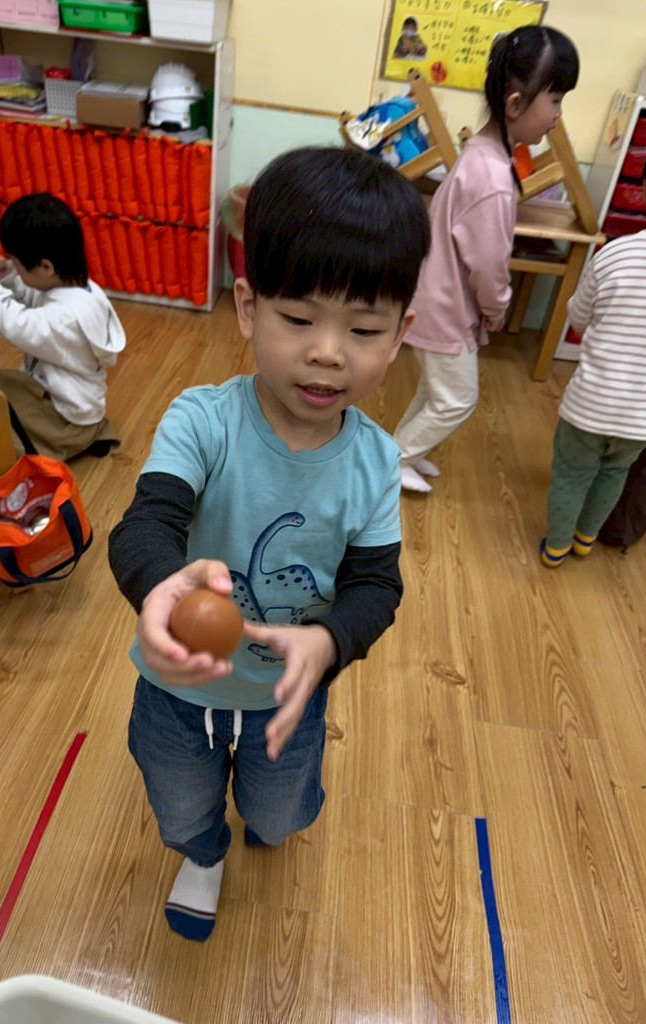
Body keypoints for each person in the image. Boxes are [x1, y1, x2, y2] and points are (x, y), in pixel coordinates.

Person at [108, 146, 430, 942]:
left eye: (362, 328)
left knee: (280, 812)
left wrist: (328, 641)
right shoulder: (202, 421)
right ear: (249, 308)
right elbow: (147, 522)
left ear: (399, 335)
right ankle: (203, 853)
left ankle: (266, 814)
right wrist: (159, 583)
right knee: (179, 804)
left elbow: (375, 585)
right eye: (298, 319)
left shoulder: (374, 462)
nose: (327, 351)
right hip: (176, 691)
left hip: (286, 694)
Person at [394, 25, 579, 493]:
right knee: (456, 399)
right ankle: (394, 462)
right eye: (555, 100)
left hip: (435, 297)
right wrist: (497, 309)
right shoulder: (494, 179)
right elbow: (490, 265)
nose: (558, 116)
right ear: (516, 104)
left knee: (436, 391)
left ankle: (399, 451)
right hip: (445, 307)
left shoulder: (479, 152)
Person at [540, 121, 646, 566]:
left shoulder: (615, 253)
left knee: (572, 474)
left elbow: (578, 317)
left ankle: (557, 546)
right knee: (614, 474)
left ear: (645, 190)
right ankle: (584, 539)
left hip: (592, 405)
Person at [0, 193, 126, 462]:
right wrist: (7, 276)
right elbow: (36, 295)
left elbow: (16, 324)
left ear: (45, 266)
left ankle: (63, 446)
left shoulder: (66, 318)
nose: (14, 267)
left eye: (17, 264)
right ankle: (87, 435)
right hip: (75, 404)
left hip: (65, 419)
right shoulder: (80, 288)